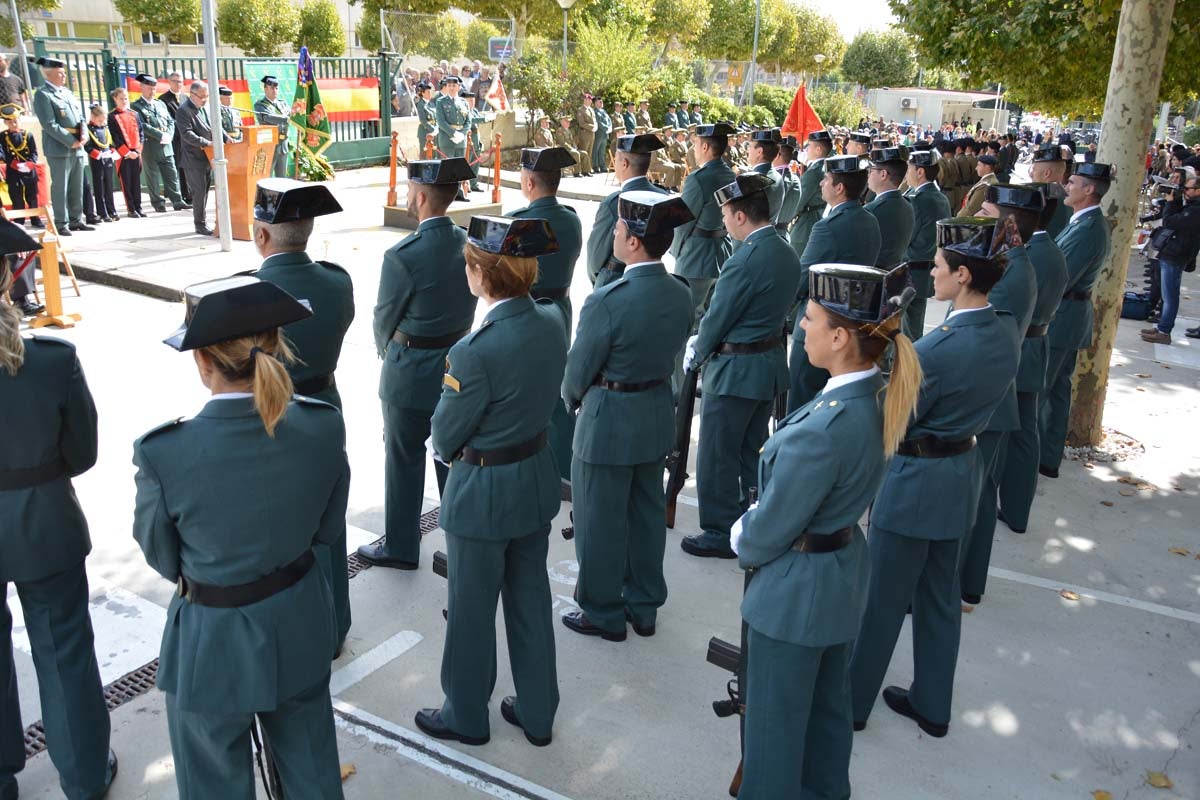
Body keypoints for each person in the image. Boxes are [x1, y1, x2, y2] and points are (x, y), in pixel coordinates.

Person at [133, 276, 347, 798]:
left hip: (213, 638)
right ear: (275, 348)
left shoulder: (164, 451)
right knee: (312, 767)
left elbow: (163, 557)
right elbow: (327, 527)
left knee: (213, 780)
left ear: (202, 361)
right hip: (297, 618)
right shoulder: (322, 426)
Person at [735, 262, 920, 799]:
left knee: (772, 734)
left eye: (811, 318)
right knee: (825, 717)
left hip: (794, 593)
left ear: (839, 338)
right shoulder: (873, 395)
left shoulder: (821, 428)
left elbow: (768, 530)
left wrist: (742, 535)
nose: (802, 327)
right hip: (837, 575)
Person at [849, 217, 1021, 739]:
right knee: (941, 598)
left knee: (880, 599)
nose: (932, 277)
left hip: (917, 481)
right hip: (961, 475)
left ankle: (851, 703)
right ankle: (933, 704)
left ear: (964, 275)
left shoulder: (939, 348)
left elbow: (893, 416)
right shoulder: (1003, 330)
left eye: (941, 268)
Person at [416, 216, 566, 746]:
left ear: (480, 274)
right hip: (534, 480)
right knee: (530, 602)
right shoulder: (551, 321)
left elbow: (444, 436)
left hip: (483, 494)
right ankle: (538, 711)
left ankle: (465, 714)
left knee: (471, 611)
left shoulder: (473, 352)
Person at [0, 230, 117, 800]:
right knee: (64, 648)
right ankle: (84, 775)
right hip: (45, 523)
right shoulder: (51, 359)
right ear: (7, 278)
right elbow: (83, 453)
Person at [562, 192, 694, 641]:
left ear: (634, 241)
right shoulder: (680, 293)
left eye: (619, 231)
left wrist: (570, 398)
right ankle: (644, 605)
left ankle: (602, 610)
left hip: (608, 420)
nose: (614, 236)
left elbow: (578, 372)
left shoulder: (607, 300)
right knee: (645, 516)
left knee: (599, 521)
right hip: (655, 413)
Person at [249, 179, 354, 648]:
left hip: (272, 415)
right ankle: (335, 625)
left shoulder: (245, 294)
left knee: (280, 525)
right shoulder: (337, 280)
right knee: (329, 517)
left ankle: (299, 630)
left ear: (261, 235)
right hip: (325, 406)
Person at [679, 174, 802, 560]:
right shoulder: (785, 249)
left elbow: (717, 317)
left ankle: (718, 530)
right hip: (766, 366)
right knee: (752, 452)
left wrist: (697, 354)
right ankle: (752, 519)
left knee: (717, 455)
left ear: (740, 215)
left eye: (726, 215)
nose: (724, 222)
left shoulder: (745, 259)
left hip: (735, 371)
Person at [363, 158, 478, 570]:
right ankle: (462, 545)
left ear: (423, 195)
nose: (408, 197)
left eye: (411, 190)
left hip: (408, 372)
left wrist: (387, 354)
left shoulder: (402, 255)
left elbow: (384, 319)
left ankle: (401, 546)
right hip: (457, 367)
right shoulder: (468, 241)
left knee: (404, 458)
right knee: (451, 458)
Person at [958, 185, 1041, 605]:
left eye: (986, 212)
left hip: (984, 404)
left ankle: (956, 582)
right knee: (981, 496)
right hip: (994, 400)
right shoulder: (1015, 264)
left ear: (1005, 224)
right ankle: (968, 582)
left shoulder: (1006, 275)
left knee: (969, 500)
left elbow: (981, 346)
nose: (979, 219)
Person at [995, 184, 1069, 537]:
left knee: (1021, 434)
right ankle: (1016, 507)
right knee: (1026, 430)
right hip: (1033, 344)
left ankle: (1014, 507)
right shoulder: (1046, 248)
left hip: (1023, 348)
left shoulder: (1029, 255)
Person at [506, 146, 582, 483]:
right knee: (554, 385)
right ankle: (565, 464)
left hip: (525, 310)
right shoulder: (571, 218)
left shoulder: (517, 223)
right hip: (561, 308)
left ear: (529, 182)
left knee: (520, 387)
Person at [787, 155, 881, 412]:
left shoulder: (827, 227)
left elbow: (803, 278)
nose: (821, 184)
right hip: (854, 323)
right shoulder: (870, 220)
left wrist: (782, 309)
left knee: (802, 398)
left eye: (826, 179)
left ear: (840, 188)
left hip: (822, 322)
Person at [1038, 162, 1112, 479]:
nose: (1067, 185)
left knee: (1045, 391)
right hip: (1066, 315)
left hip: (1064, 317)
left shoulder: (1089, 227)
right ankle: (1047, 457)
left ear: (1089, 190)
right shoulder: (1082, 221)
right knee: (1054, 390)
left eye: (1074, 181)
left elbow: (1061, 276)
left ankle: (1042, 457)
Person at [670, 122, 738, 390]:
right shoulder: (729, 174)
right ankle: (706, 377)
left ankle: (680, 384)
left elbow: (682, 223)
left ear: (706, 146)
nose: (694, 148)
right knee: (710, 322)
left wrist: (676, 252)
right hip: (721, 252)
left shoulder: (699, 179)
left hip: (696, 258)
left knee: (684, 322)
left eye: (696, 144)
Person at [587, 133, 669, 288]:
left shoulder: (613, 203)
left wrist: (598, 280)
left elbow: (595, 257)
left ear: (624, 163)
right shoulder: (662, 196)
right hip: (653, 278)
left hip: (615, 279)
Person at [30, 56, 91, 234]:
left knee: (76, 185)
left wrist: (84, 135)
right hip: (60, 147)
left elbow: (80, 118)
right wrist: (70, 141)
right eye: (60, 73)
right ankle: (61, 222)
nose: (64, 76)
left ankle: (76, 219)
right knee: (60, 186)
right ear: (49, 74)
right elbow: (49, 124)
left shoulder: (67, 93)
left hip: (77, 145)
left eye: (64, 73)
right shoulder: (43, 94)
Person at [900, 148, 952, 340]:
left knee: (902, 331)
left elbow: (905, 237)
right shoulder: (941, 198)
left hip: (909, 271)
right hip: (926, 271)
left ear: (920, 172)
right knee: (914, 326)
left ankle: (905, 368)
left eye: (909, 169)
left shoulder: (918, 200)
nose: (907, 174)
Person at [1140, 176, 1200, 345]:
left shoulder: (1196, 210)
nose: (1184, 191)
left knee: (1170, 296)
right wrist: (1177, 200)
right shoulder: (1191, 206)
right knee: (1168, 295)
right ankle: (1161, 328)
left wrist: (1170, 203)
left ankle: (1164, 331)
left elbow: (1169, 222)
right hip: (1173, 252)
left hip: (1176, 255)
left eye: (1187, 189)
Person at [131, 74, 187, 213]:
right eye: (149, 88)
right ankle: (158, 202)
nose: (152, 91)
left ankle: (177, 200)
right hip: (151, 146)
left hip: (166, 144)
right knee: (153, 176)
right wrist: (160, 134)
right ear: (142, 88)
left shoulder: (160, 104)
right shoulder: (136, 106)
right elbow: (142, 125)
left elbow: (170, 121)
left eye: (154, 88)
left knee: (172, 174)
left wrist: (169, 134)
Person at [864, 145, 914, 269]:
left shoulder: (872, 211)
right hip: (895, 276)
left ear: (883, 174)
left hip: (873, 278)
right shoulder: (908, 205)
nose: (868, 175)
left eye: (872, 170)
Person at [175, 81, 215, 236]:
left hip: (207, 157)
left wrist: (225, 138)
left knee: (205, 191)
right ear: (192, 95)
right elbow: (186, 134)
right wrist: (206, 143)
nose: (205, 100)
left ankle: (202, 220)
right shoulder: (184, 111)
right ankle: (200, 224)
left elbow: (212, 127)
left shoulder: (204, 109)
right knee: (198, 192)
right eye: (202, 97)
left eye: (206, 96)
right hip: (193, 159)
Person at [787, 130, 832, 258]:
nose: (806, 150)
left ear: (818, 149)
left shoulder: (813, 172)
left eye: (809, 146)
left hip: (807, 224)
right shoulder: (825, 167)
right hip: (819, 217)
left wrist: (786, 219)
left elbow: (798, 202)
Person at [0, 102, 40, 229]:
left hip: (28, 170)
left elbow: (34, 152)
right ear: (6, 122)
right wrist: (12, 163)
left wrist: (30, 163)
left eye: (16, 120)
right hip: (13, 170)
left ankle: (35, 218)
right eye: (10, 121)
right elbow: (2, 152)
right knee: (16, 196)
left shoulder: (28, 135)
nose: (14, 123)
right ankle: (19, 219)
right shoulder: (2, 136)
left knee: (32, 195)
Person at [107, 88, 144, 218]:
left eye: (126, 98)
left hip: (136, 152)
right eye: (121, 98)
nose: (124, 101)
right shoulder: (112, 116)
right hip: (124, 155)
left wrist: (138, 150)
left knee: (136, 182)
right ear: (115, 99)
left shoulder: (135, 114)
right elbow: (115, 137)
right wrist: (127, 153)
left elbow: (141, 133)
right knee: (126, 182)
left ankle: (138, 207)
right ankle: (131, 209)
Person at [82, 104, 119, 223]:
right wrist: (98, 154)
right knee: (100, 187)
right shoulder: (88, 129)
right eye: (100, 120)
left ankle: (111, 210)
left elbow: (110, 143)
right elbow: (87, 146)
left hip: (108, 160)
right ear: (93, 117)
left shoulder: (105, 128)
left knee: (109, 186)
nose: (102, 122)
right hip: (97, 161)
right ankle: (102, 212)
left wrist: (112, 152)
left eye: (103, 120)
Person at [159, 72, 191, 204]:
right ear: (169, 82)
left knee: (187, 166)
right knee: (175, 167)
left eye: (180, 82)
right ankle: (177, 195)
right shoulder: (163, 99)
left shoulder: (185, 98)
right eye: (175, 81)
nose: (178, 84)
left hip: (187, 138)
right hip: (174, 138)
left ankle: (188, 194)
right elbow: (167, 119)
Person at [1028, 144, 1070, 236]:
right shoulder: (1066, 198)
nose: (1031, 174)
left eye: (1034, 170)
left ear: (1047, 173)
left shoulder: (1047, 200)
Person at [744, 129, 785, 225]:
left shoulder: (751, 180)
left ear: (759, 152)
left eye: (749, 146)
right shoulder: (777, 176)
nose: (747, 150)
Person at [253, 76, 290, 178]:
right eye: (272, 88)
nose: (275, 91)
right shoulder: (260, 105)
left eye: (276, 88)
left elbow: (291, 115)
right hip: (270, 144)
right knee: (267, 175)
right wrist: (286, 118)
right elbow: (269, 118)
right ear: (265, 89)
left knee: (282, 177)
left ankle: (281, 194)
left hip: (283, 145)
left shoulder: (283, 104)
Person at [459, 90, 486, 192]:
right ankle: (466, 184)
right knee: (467, 163)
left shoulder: (474, 110)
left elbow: (478, 117)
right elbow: (473, 120)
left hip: (476, 139)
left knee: (475, 162)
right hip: (468, 140)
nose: (472, 102)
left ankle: (474, 183)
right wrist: (485, 119)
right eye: (470, 100)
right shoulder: (463, 111)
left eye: (473, 100)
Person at [574, 93, 596, 176]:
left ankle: (587, 170)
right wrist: (592, 127)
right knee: (584, 152)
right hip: (584, 134)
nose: (590, 101)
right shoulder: (581, 110)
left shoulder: (591, 110)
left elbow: (594, 120)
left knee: (589, 153)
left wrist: (595, 126)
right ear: (585, 100)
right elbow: (581, 123)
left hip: (591, 134)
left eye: (590, 100)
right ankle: (583, 170)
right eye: (588, 99)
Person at [591, 96, 611, 174]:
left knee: (602, 151)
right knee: (596, 150)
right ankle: (595, 166)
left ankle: (602, 166)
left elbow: (609, 120)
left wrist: (610, 127)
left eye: (601, 102)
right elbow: (598, 123)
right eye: (600, 102)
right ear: (595, 103)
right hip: (599, 133)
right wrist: (607, 128)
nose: (601, 103)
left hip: (605, 134)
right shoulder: (594, 111)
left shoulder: (604, 111)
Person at [415, 81, 434, 156]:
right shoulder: (421, 104)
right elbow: (423, 120)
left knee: (432, 154)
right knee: (424, 154)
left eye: (430, 92)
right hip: (424, 133)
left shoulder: (431, 104)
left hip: (432, 133)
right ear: (422, 93)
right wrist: (433, 129)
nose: (430, 94)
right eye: (428, 92)